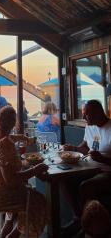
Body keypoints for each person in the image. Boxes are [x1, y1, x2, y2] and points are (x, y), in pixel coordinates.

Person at [0, 106, 48, 238]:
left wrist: (20, 137)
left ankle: (7, 230)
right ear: (13, 122)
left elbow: (4, 138)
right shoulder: (5, 143)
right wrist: (35, 169)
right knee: (38, 200)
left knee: (23, 191)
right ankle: (14, 235)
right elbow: (10, 180)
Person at [61, 100, 111, 236]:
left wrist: (103, 159)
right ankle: (80, 219)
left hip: (106, 171)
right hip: (88, 167)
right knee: (64, 180)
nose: (83, 118)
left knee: (86, 186)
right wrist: (73, 148)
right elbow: (84, 146)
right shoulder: (90, 126)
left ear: (98, 113)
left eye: (86, 114)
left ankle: (86, 227)